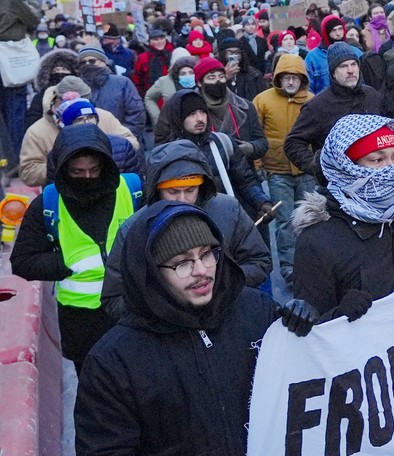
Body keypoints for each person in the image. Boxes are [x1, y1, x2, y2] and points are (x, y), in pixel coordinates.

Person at [74, 202, 311, 456]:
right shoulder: (114, 361)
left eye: (207, 254)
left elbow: (306, 391)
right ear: (151, 273)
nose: (201, 271)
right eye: (182, 262)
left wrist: (311, 326)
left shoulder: (256, 311)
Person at [11, 124, 142, 372]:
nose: (87, 178)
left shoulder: (133, 190)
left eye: (94, 170)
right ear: (64, 169)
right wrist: (65, 265)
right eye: (77, 172)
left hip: (132, 314)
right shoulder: (47, 204)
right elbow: (22, 261)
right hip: (82, 326)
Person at [101, 139, 273, 320]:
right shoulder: (134, 228)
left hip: (226, 316)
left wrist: (219, 286)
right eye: (173, 192)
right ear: (156, 189)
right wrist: (165, 302)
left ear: (202, 185)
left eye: (190, 190)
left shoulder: (229, 210)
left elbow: (260, 261)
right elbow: (114, 298)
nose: (182, 199)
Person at [291, 114, 394, 322]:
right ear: (346, 167)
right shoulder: (318, 241)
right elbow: (313, 330)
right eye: (377, 160)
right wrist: (337, 315)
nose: (393, 169)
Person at [158, 89, 273, 224]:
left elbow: (245, 181)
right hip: (188, 224)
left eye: (202, 112)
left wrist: (262, 202)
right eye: (192, 114)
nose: (200, 118)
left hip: (226, 219)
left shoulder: (223, 143)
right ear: (178, 118)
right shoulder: (167, 154)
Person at [252, 53, 314, 285]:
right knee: (285, 221)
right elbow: (256, 134)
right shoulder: (263, 101)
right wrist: (258, 164)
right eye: (286, 77)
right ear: (278, 77)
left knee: (310, 219)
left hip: (306, 170)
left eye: (295, 77)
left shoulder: (311, 101)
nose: (290, 81)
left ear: (302, 79)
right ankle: (289, 267)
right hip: (277, 171)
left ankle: (311, 264)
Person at [284, 42, 384, 176]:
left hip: (374, 178)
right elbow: (293, 143)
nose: (350, 70)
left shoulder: (372, 96)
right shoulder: (317, 105)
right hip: (337, 183)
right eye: (343, 66)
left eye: (354, 64)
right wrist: (318, 168)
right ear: (333, 73)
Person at [20, 77, 141, 186]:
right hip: (63, 193)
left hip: (107, 188)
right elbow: (28, 172)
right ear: (57, 101)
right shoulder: (38, 130)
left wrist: (104, 155)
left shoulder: (103, 116)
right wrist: (66, 165)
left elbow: (131, 142)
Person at [156, 56, 268, 161]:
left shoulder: (245, 107)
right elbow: (162, 145)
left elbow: (261, 141)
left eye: (221, 77)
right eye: (211, 77)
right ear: (200, 83)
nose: (218, 81)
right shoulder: (182, 106)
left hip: (242, 171)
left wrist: (250, 148)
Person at [77, 45, 147, 140]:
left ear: (103, 62)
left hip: (122, 142)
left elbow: (136, 114)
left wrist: (122, 138)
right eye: (83, 62)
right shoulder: (77, 86)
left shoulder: (122, 83)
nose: (87, 64)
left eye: (92, 61)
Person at [24, 47, 80, 135]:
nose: (60, 73)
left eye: (64, 69)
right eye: (56, 70)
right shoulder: (41, 97)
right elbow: (32, 120)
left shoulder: (81, 94)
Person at [145, 54, 196, 129]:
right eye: (183, 73)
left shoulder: (201, 81)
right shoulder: (164, 81)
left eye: (191, 72)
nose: (187, 76)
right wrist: (157, 118)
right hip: (170, 127)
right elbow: (149, 97)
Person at [305, 15, 350, 95]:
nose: (338, 34)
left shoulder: (355, 52)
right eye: (333, 30)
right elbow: (308, 88)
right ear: (326, 33)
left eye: (340, 29)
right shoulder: (313, 57)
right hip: (323, 101)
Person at [218, 37, 267, 101]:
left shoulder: (254, 74)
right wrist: (225, 77)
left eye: (237, 52)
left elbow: (263, 97)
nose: (234, 55)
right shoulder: (215, 73)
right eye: (230, 52)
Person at [131, 29, 174, 97]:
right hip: (151, 96)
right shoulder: (143, 58)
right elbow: (137, 80)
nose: (159, 41)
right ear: (150, 42)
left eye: (161, 38)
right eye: (155, 39)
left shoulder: (173, 54)